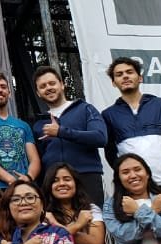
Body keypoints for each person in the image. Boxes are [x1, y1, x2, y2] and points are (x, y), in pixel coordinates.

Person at [31, 66, 107, 207]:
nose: (48, 88)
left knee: (93, 224)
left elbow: (100, 137)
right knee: (60, 227)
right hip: (54, 184)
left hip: (87, 176)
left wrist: (61, 132)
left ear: (62, 85)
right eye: (43, 86)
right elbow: (39, 161)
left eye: (52, 83)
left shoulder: (85, 109)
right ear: (38, 93)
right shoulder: (38, 124)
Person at [101, 56, 161, 194]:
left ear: (140, 78)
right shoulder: (108, 115)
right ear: (114, 83)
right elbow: (111, 153)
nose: (125, 76)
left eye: (129, 72)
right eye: (119, 74)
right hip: (133, 189)